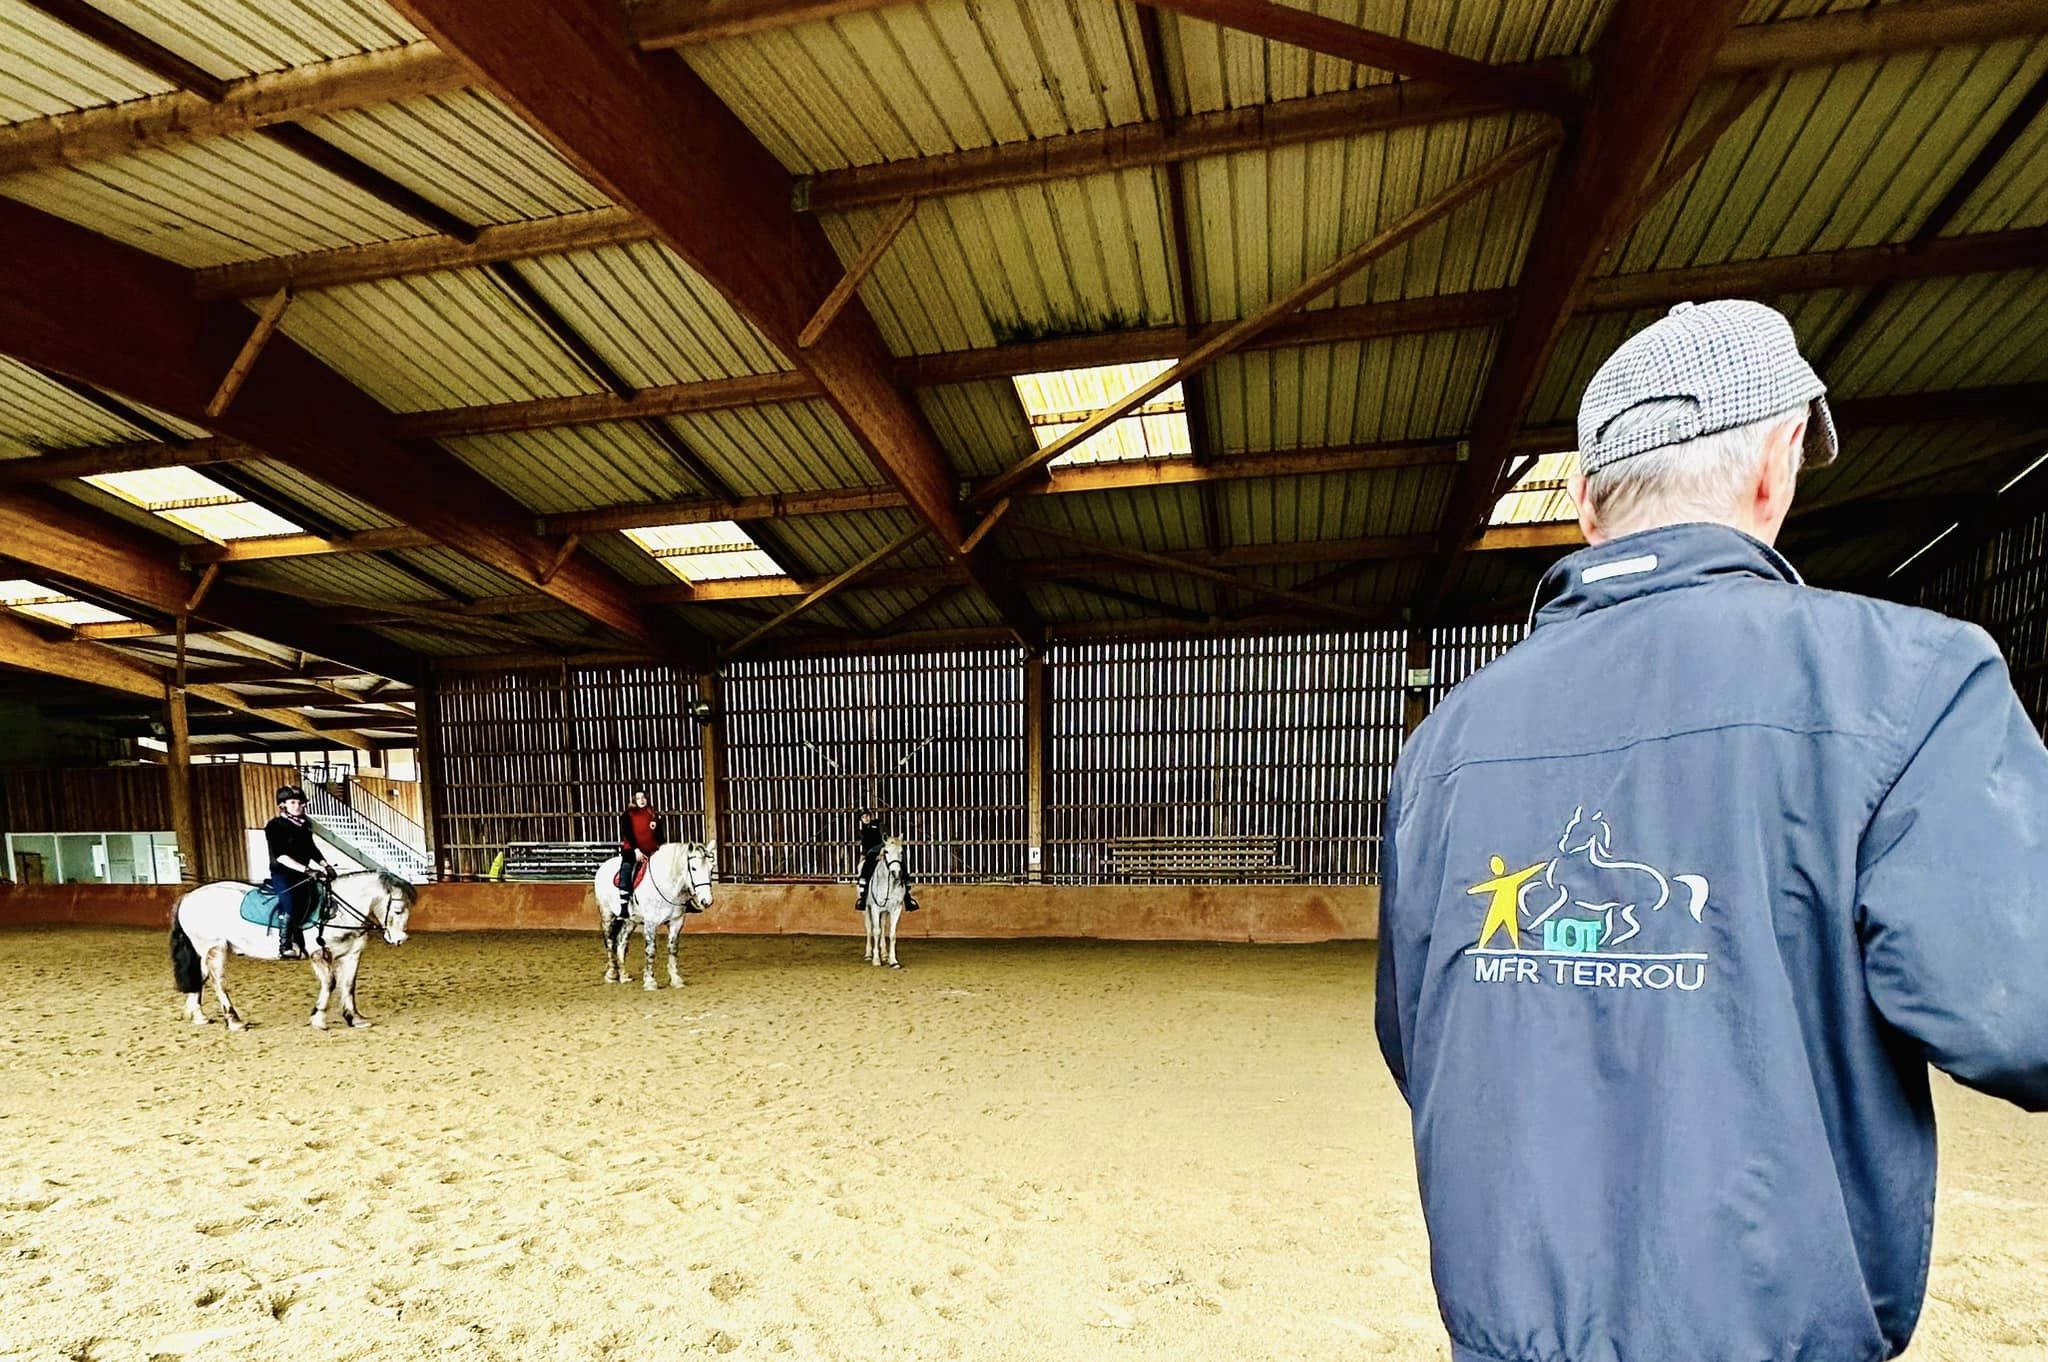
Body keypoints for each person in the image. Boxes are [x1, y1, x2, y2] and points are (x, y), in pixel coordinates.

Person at [1375, 299, 2048, 1362]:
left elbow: (1416, 1035)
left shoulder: (1447, 741)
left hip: (1507, 1334)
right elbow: (2018, 1018)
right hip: (1771, 1330)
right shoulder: (1914, 684)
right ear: (1778, 463)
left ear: (1587, 503)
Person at [265, 785, 334, 960]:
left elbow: (311, 849)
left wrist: (325, 865)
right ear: (283, 805)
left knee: (319, 897)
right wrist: (308, 870)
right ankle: (285, 945)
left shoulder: (304, 825)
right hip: (283, 874)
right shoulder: (275, 826)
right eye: (293, 803)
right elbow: (281, 856)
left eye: (300, 803)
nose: (297, 806)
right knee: (289, 903)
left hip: (303, 874)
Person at [852, 807, 919, 913]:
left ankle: (908, 899)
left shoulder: (879, 824)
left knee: (900, 866)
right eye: (863, 817)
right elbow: (865, 847)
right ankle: (863, 899)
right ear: (861, 819)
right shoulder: (862, 831)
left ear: (870, 816)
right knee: (864, 871)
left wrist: (882, 850)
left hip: (884, 850)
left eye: (867, 816)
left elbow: (885, 838)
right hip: (871, 854)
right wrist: (861, 858)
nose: (866, 818)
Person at [615, 789, 665, 918]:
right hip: (632, 850)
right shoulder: (627, 815)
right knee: (626, 869)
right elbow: (628, 834)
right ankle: (624, 906)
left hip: (652, 850)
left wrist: (662, 848)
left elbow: (659, 834)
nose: (641, 800)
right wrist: (636, 850)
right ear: (634, 800)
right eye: (638, 798)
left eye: (643, 797)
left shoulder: (653, 814)